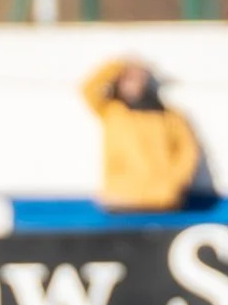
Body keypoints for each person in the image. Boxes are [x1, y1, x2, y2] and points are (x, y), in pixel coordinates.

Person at [81, 59, 201, 211]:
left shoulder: (170, 116)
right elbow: (87, 89)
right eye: (128, 79)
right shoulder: (113, 111)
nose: (134, 84)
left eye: (138, 79)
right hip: (121, 199)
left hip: (162, 200)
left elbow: (188, 151)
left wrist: (174, 183)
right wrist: (120, 66)